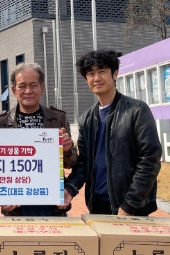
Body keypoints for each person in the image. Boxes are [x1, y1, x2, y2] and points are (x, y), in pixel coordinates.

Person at [63, 50, 161, 216]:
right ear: (86, 79)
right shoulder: (86, 119)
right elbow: (84, 163)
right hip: (97, 204)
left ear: (115, 74)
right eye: (91, 73)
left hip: (131, 207)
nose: (96, 78)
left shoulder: (136, 110)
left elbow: (150, 159)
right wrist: (70, 188)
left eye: (102, 71)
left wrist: (130, 204)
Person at [0, 62, 77, 216]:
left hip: (51, 204)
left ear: (42, 88)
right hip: (16, 206)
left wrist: (67, 150)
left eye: (33, 85)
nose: (28, 91)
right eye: (22, 86)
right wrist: (1, 195)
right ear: (14, 90)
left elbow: (71, 163)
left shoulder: (58, 119)